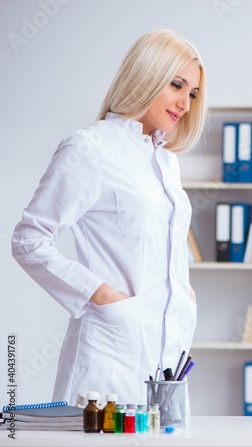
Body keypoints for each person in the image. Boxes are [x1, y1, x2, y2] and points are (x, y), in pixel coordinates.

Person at [11, 29, 207, 405]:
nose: (185, 103)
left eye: (192, 93)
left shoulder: (167, 162)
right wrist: (100, 294)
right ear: (146, 74)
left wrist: (185, 295)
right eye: (177, 85)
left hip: (168, 355)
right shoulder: (89, 148)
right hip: (108, 352)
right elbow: (28, 240)